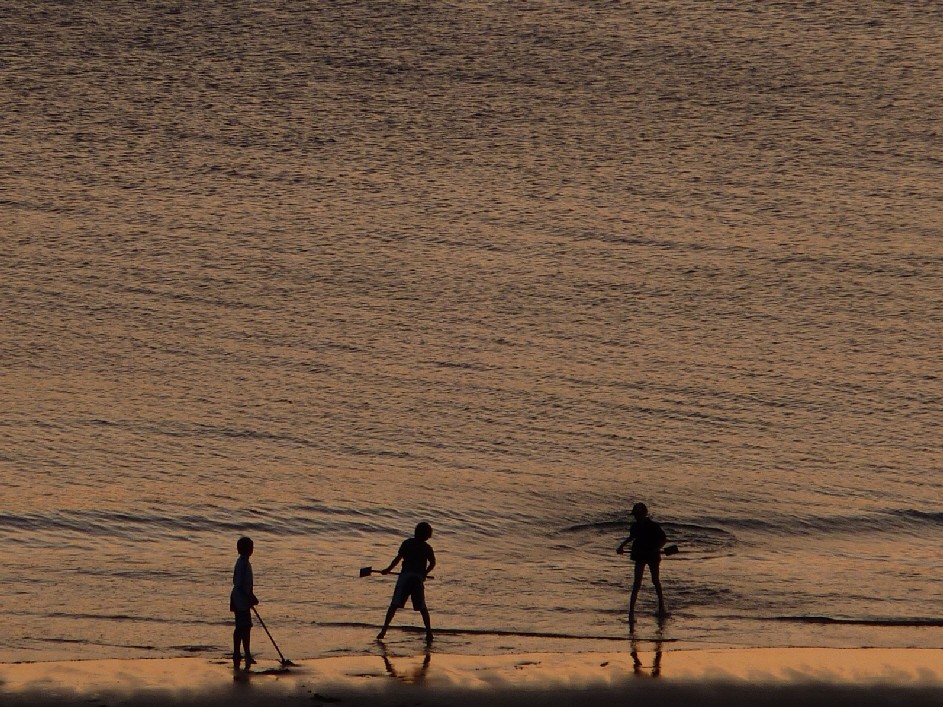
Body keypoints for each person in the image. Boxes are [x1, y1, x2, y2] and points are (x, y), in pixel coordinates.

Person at [376, 522, 436, 643]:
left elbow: (398, 559)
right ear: (427, 535)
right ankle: (429, 632)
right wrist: (425, 573)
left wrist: (388, 570)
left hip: (405, 577)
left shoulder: (407, 543)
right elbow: (433, 563)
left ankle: (384, 631)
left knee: (394, 605)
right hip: (417, 579)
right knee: (422, 607)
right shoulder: (427, 548)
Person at [617, 502, 667, 625]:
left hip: (653, 556)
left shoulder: (653, 526)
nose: (636, 517)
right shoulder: (635, 526)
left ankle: (661, 607)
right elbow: (632, 537)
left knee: (655, 581)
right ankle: (631, 613)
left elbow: (663, 540)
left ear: (644, 514)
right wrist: (622, 546)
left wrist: (656, 548)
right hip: (640, 555)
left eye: (638, 515)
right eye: (635, 515)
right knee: (636, 584)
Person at [230, 536, 259, 670]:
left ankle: (244, 653)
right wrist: (248, 597)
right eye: (251, 547)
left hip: (242, 599)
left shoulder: (245, 563)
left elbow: (247, 584)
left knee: (245, 627)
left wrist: (251, 595)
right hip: (239, 599)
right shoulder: (242, 563)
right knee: (242, 627)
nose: (252, 550)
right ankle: (240, 653)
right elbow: (239, 584)